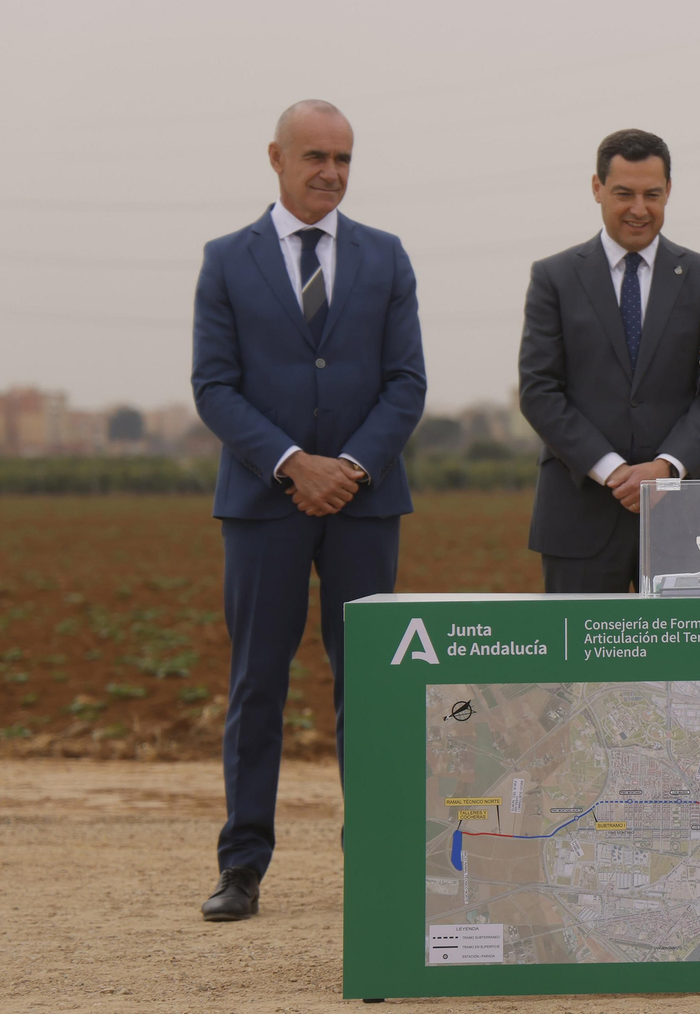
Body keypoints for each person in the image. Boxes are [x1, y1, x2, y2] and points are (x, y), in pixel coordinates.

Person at [191, 100, 427, 921]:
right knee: (258, 683)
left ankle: (376, 859)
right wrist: (293, 465)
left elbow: (407, 383)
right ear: (277, 157)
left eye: (345, 158)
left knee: (369, 685)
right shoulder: (227, 261)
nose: (331, 171)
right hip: (264, 504)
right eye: (316, 156)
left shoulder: (386, 257)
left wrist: (350, 468)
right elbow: (213, 387)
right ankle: (242, 866)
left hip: (364, 505)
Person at [520, 129, 700, 592]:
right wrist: (612, 470)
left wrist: (665, 468)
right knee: (580, 665)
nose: (639, 208)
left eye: (651, 194)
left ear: (669, 192)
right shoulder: (553, 278)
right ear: (596, 188)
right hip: (579, 517)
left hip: (683, 519)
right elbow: (539, 390)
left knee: (686, 663)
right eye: (624, 194)